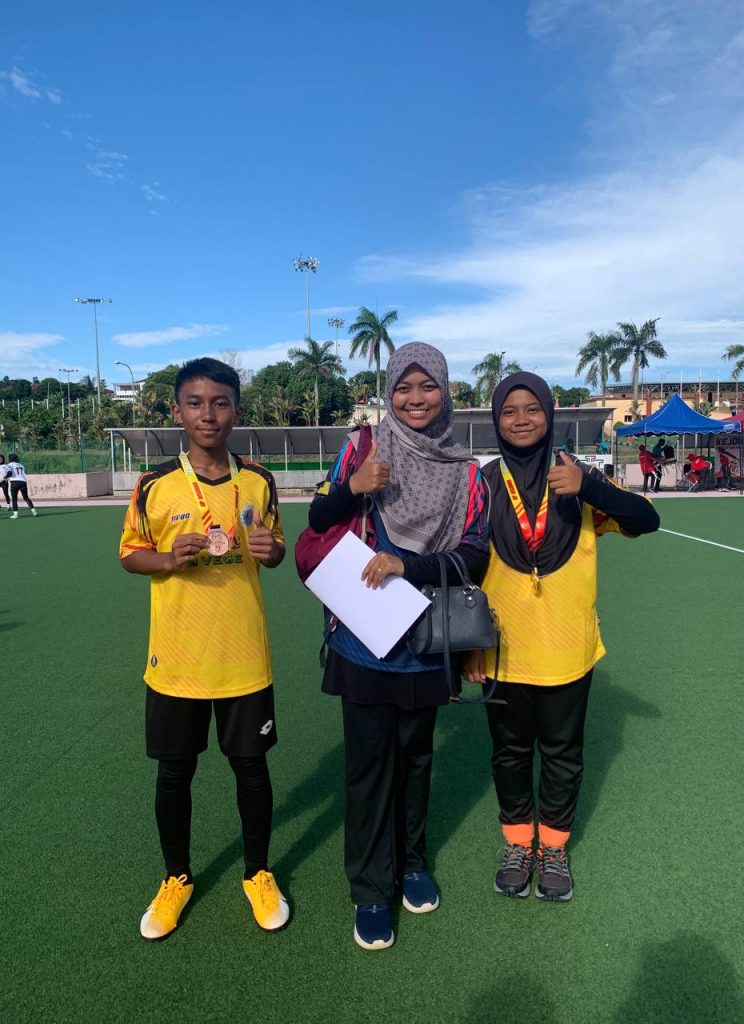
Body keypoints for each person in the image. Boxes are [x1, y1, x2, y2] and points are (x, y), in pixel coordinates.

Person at [307, 342, 489, 951]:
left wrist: (408, 565)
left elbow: (475, 555)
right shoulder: (362, 448)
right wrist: (354, 486)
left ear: (445, 391)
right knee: (367, 768)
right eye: (404, 387)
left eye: (427, 385)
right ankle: (369, 889)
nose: (415, 398)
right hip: (363, 641)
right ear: (389, 392)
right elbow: (318, 520)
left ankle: (411, 864)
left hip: (426, 641)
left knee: (416, 760)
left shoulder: (466, 472)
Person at [464, 372, 659, 903]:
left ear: (550, 415)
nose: (521, 419)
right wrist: (467, 645)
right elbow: (464, 563)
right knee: (508, 753)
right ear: (496, 420)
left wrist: (589, 487)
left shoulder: (577, 475)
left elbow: (647, 519)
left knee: (562, 753)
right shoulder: (483, 482)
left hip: (569, 649)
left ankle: (552, 848)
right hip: (501, 650)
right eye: (509, 411)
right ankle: (517, 843)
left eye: (532, 409)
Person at [119, 357, 289, 941]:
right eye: (195, 403)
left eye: (220, 403)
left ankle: (258, 872)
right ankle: (177, 878)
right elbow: (130, 554)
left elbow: (276, 547)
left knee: (251, 769)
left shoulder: (259, 480)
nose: (208, 414)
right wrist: (167, 559)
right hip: (177, 660)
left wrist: (271, 551)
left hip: (244, 657)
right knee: (175, 774)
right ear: (177, 411)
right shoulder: (154, 483)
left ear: (237, 410)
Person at [6, 453, 38, 518]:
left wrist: (5, 477)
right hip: (23, 482)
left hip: (14, 482)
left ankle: (15, 514)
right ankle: (34, 511)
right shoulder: (21, 465)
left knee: (14, 499)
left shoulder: (9, 465)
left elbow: (9, 473)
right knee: (26, 497)